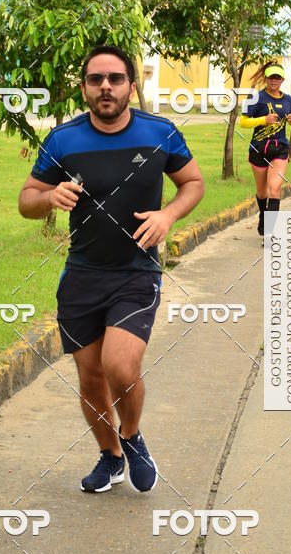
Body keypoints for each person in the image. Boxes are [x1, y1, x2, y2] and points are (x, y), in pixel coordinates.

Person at [18, 45, 204, 493]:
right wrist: (49, 198)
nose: (106, 87)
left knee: (120, 367)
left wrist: (168, 216)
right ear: (84, 88)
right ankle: (111, 456)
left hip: (136, 273)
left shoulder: (160, 133)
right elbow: (26, 199)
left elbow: (193, 183)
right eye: (96, 79)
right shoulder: (63, 140)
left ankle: (132, 436)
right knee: (91, 376)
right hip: (82, 276)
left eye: (115, 79)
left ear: (131, 87)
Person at [240, 61, 291, 239]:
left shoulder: (288, 100)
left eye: (277, 77)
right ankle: (263, 215)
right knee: (262, 192)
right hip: (259, 149)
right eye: (271, 77)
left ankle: (269, 231)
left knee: (274, 189)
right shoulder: (256, 98)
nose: (274, 80)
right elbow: (243, 122)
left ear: (282, 80)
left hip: (280, 149)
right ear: (266, 79)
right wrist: (263, 120)